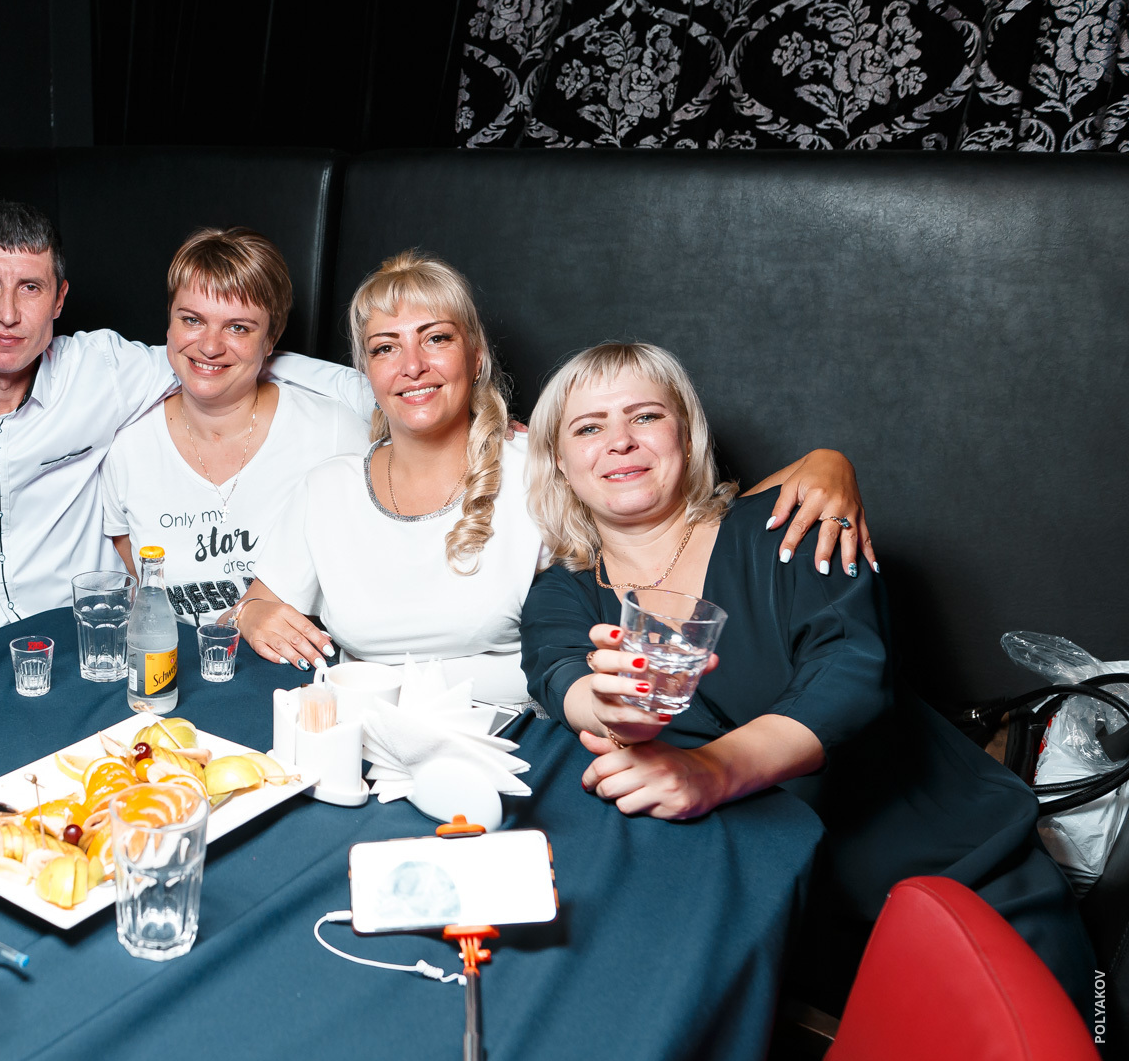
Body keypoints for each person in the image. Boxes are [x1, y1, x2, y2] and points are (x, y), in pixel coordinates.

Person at [518, 341, 1090, 1004]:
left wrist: (711, 770)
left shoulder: (789, 528)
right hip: (784, 925)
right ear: (559, 463)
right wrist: (617, 709)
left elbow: (850, 675)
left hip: (953, 877)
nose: (620, 440)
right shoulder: (563, 593)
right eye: (589, 428)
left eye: (645, 416)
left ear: (687, 436)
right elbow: (561, 676)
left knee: (1055, 1059)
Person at [236, 252, 872, 701]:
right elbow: (259, 602)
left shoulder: (539, 467)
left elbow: (678, 526)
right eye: (385, 347)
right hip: (365, 732)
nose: (412, 365)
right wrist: (255, 615)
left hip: (525, 736)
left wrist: (824, 465)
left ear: (476, 357)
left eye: (436, 338)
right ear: (367, 372)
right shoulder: (328, 487)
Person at [0, 201, 374, 648]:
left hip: (78, 644)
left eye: (30, 288)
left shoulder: (104, 373)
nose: (6, 313)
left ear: (59, 299)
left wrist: (387, 386)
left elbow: (210, 362)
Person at [99, 227, 369, 620]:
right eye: (192, 320)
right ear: (169, 324)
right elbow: (146, 594)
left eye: (238, 327)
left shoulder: (333, 432)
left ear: (271, 339)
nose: (210, 346)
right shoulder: (127, 449)